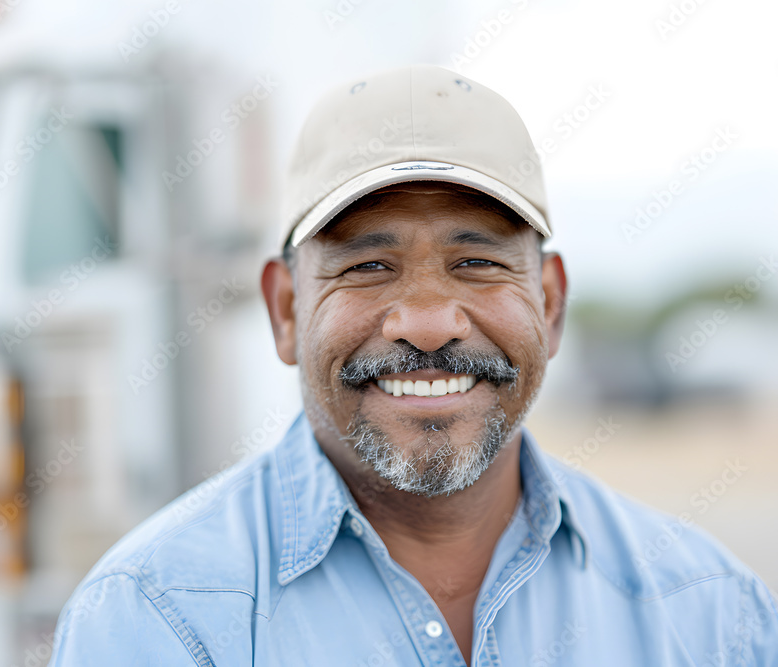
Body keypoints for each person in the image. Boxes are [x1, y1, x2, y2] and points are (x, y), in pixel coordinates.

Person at [49, 64, 778, 666]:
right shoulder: (155, 617)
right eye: (368, 265)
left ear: (550, 305)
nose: (428, 322)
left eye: (477, 261)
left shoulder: (710, 613)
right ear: (285, 312)